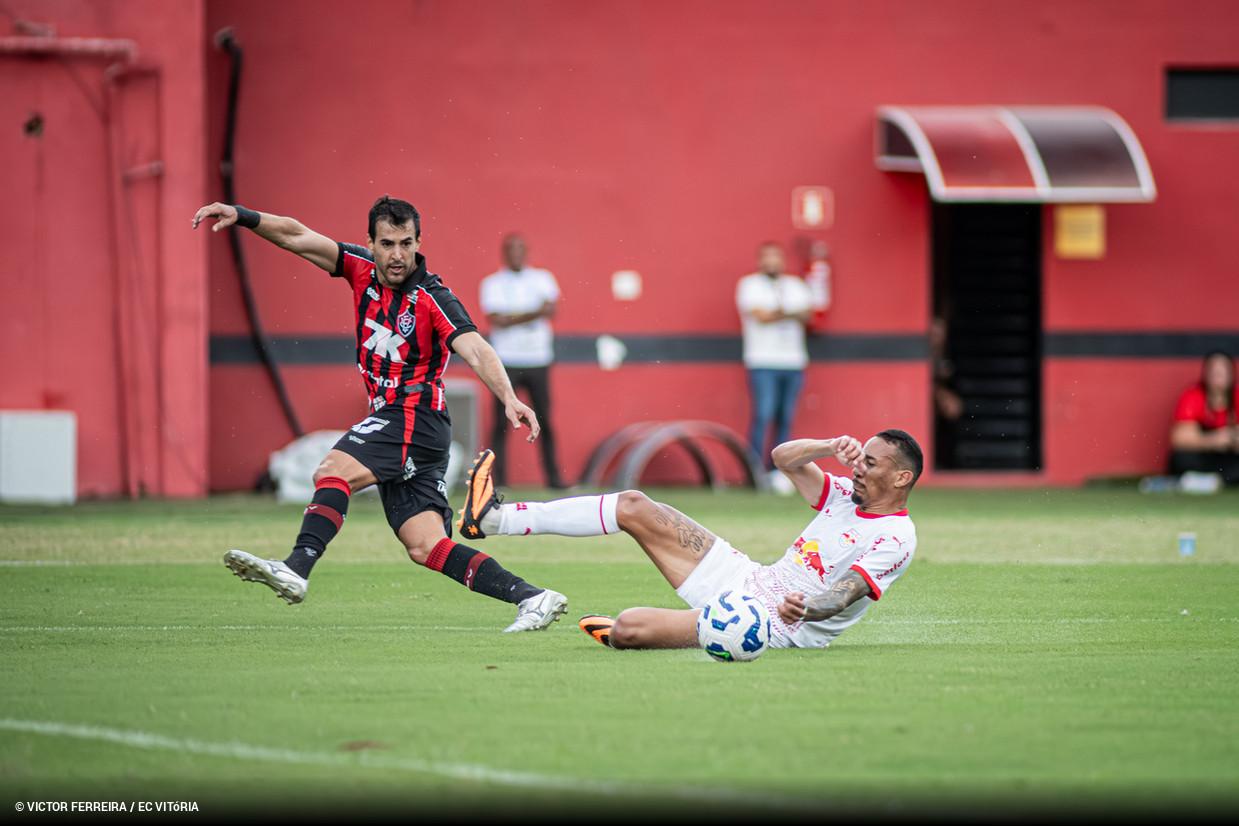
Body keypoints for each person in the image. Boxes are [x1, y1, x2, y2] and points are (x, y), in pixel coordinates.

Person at [191, 196, 567, 632]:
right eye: (387, 244)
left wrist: (508, 397)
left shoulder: (433, 297)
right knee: (425, 545)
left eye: (406, 243)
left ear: (419, 242)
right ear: (370, 243)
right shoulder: (358, 268)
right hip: (409, 426)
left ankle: (297, 566)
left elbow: (477, 349)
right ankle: (533, 597)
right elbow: (296, 236)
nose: (397, 255)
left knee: (333, 470)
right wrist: (244, 216)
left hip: (413, 417)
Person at [456, 430, 920, 650]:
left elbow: (842, 596)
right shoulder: (842, 493)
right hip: (746, 578)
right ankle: (494, 519)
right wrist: (828, 446)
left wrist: (807, 608)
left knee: (629, 627)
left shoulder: (896, 536)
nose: (858, 467)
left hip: (772, 625)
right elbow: (782, 458)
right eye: (861, 458)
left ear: (901, 478)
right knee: (635, 505)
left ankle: (627, 635)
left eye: (871, 463)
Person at [479, 234, 565, 488]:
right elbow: (498, 320)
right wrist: (535, 312)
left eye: (520, 249)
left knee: (545, 419)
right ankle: (498, 480)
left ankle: (554, 479)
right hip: (505, 361)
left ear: (526, 252)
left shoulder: (542, 278)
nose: (516, 254)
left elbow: (551, 310)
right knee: (501, 423)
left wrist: (514, 316)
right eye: (511, 249)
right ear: (504, 253)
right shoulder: (492, 283)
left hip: (538, 359)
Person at [736, 242, 813, 486]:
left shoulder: (795, 285)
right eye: (767, 257)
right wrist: (790, 312)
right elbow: (761, 316)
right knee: (763, 415)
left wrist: (779, 313)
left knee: (785, 418)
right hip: (762, 361)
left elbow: (809, 314)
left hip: (793, 361)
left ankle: (780, 472)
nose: (772, 262)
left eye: (776, 257)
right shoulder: (750, 285)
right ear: (760, 261)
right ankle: (754, 472)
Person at [1168, 350, 1239, 485]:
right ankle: (1211, 481)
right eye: (1214, 370)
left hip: (1228, 458)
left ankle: (1210, 482)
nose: (1218, 374)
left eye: (1223, 370)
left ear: (1232, 374)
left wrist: (1233, 439)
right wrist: (1214, 440)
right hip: (1203, 456)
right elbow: (1179, 439)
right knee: (1181, 459)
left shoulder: (1237, 396)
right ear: (1205, 373)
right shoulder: (1193, 396)